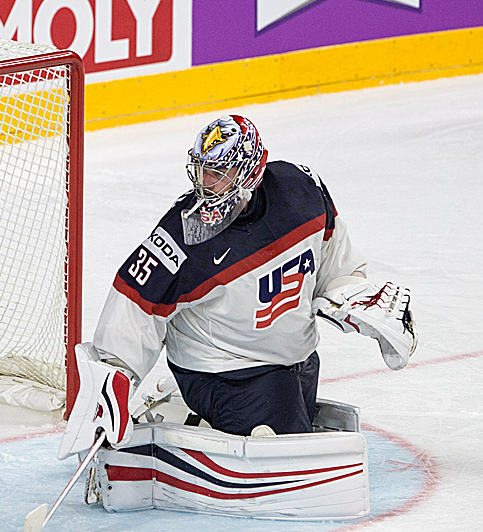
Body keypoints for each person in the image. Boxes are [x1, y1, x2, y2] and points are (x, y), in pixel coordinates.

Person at [82, 114, 417, 438]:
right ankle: (206, 421)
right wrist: (116, 378)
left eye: (218, 173)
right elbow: (137, 303)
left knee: (292, 417)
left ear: (251, 175)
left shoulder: (300, 191)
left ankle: (205, 424)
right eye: (201, 171)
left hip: (296, 359)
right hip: (221, 372)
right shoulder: (185, 232)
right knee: (287, 457)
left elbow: (334, 261)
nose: (205, 184)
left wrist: (356, 298)